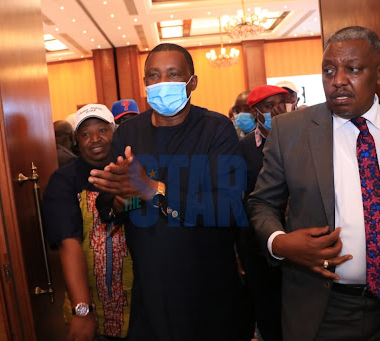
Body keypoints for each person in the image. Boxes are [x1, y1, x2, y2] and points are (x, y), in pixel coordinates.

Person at [247, 26, 380, 341]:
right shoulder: (291, 131)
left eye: (353, 69)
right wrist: (279, 243)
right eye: (328, 70)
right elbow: (261, 204)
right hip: (326, 308)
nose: (338, 79)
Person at [87, 43, 248, 341]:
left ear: (192, 82)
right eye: (154, 76)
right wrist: (122, 199)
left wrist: (151, 188)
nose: (162, 84)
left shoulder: (216, 129)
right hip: (152, 292)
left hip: (210, 292)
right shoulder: (128, 133)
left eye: (173, 75)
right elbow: (109, 204)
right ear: (145, 83)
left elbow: (225, 208)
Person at [42, 104, 133, 341]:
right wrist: (82, 311)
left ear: (115, 132)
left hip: (142, 309)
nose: (95, 139)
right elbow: (67, 243)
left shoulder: (133, 170)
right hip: (93, 310)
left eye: (102, 130)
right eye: (85, 134)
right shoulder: (64, 180)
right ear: (76, 140)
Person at [237, 84, 289, 341]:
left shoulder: (299, 139)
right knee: (269, 316)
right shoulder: (243, 149)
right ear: (256, 112)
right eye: (269, 106)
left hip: (296, 245)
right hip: (257, 249)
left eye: (281, 103)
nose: (277, 110)